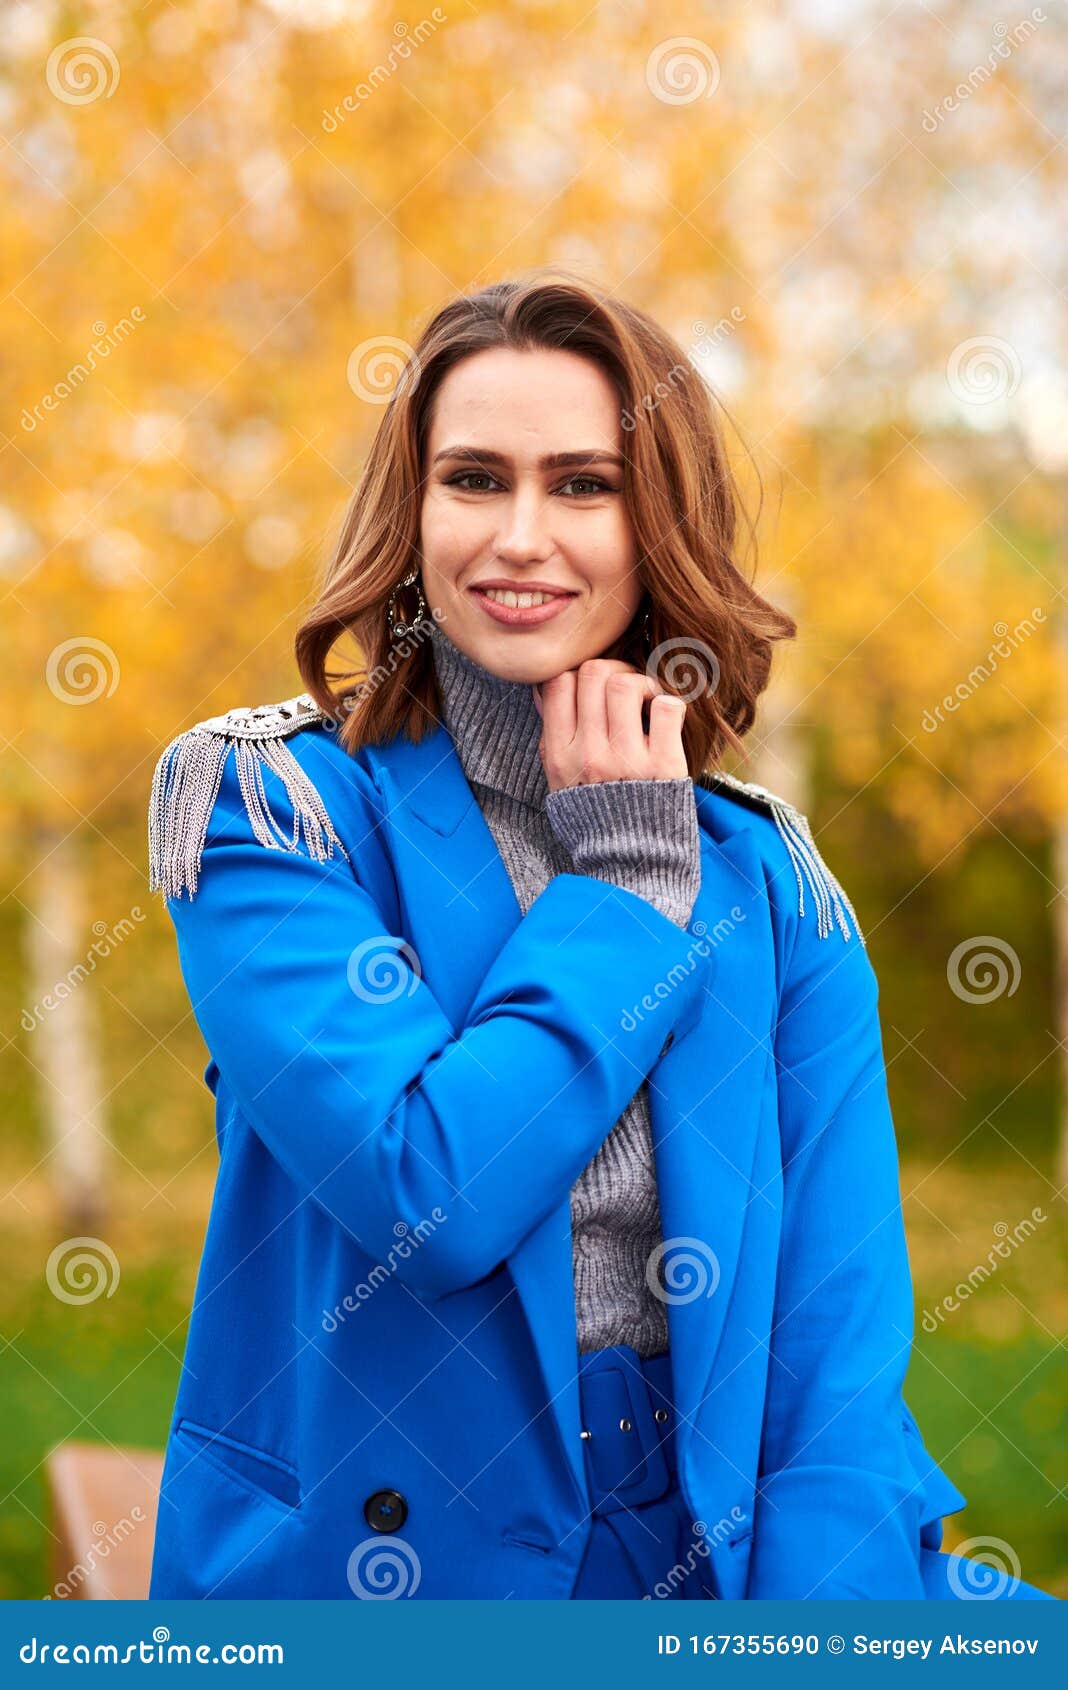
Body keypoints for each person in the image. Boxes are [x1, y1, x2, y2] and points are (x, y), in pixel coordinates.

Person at [146, 270, 1054, 1601]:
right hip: (385, 1567)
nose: (522, 535)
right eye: (472, 479)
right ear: (410, 514)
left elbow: (830, 1371)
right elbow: (429, 1192)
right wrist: (623, 885)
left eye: (582, 484)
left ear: (657, 520)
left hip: (711, 1550)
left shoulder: (768, 882)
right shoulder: (276, 815)